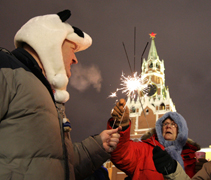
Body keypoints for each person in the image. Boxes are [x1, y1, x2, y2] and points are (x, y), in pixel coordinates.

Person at [0, 10, 121, 180]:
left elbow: (57, 163)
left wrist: (99, 145)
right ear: (51, 43)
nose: (75, 60)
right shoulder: (6, 69)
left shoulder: (48, 94)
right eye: (72, 48)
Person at [108, 98, 201, 180]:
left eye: (173, 124)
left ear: (181, 130)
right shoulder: (145, 150)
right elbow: (121, 154)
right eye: (165, 124)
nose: (168, 126)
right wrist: (122, 126)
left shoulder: (194, 160)